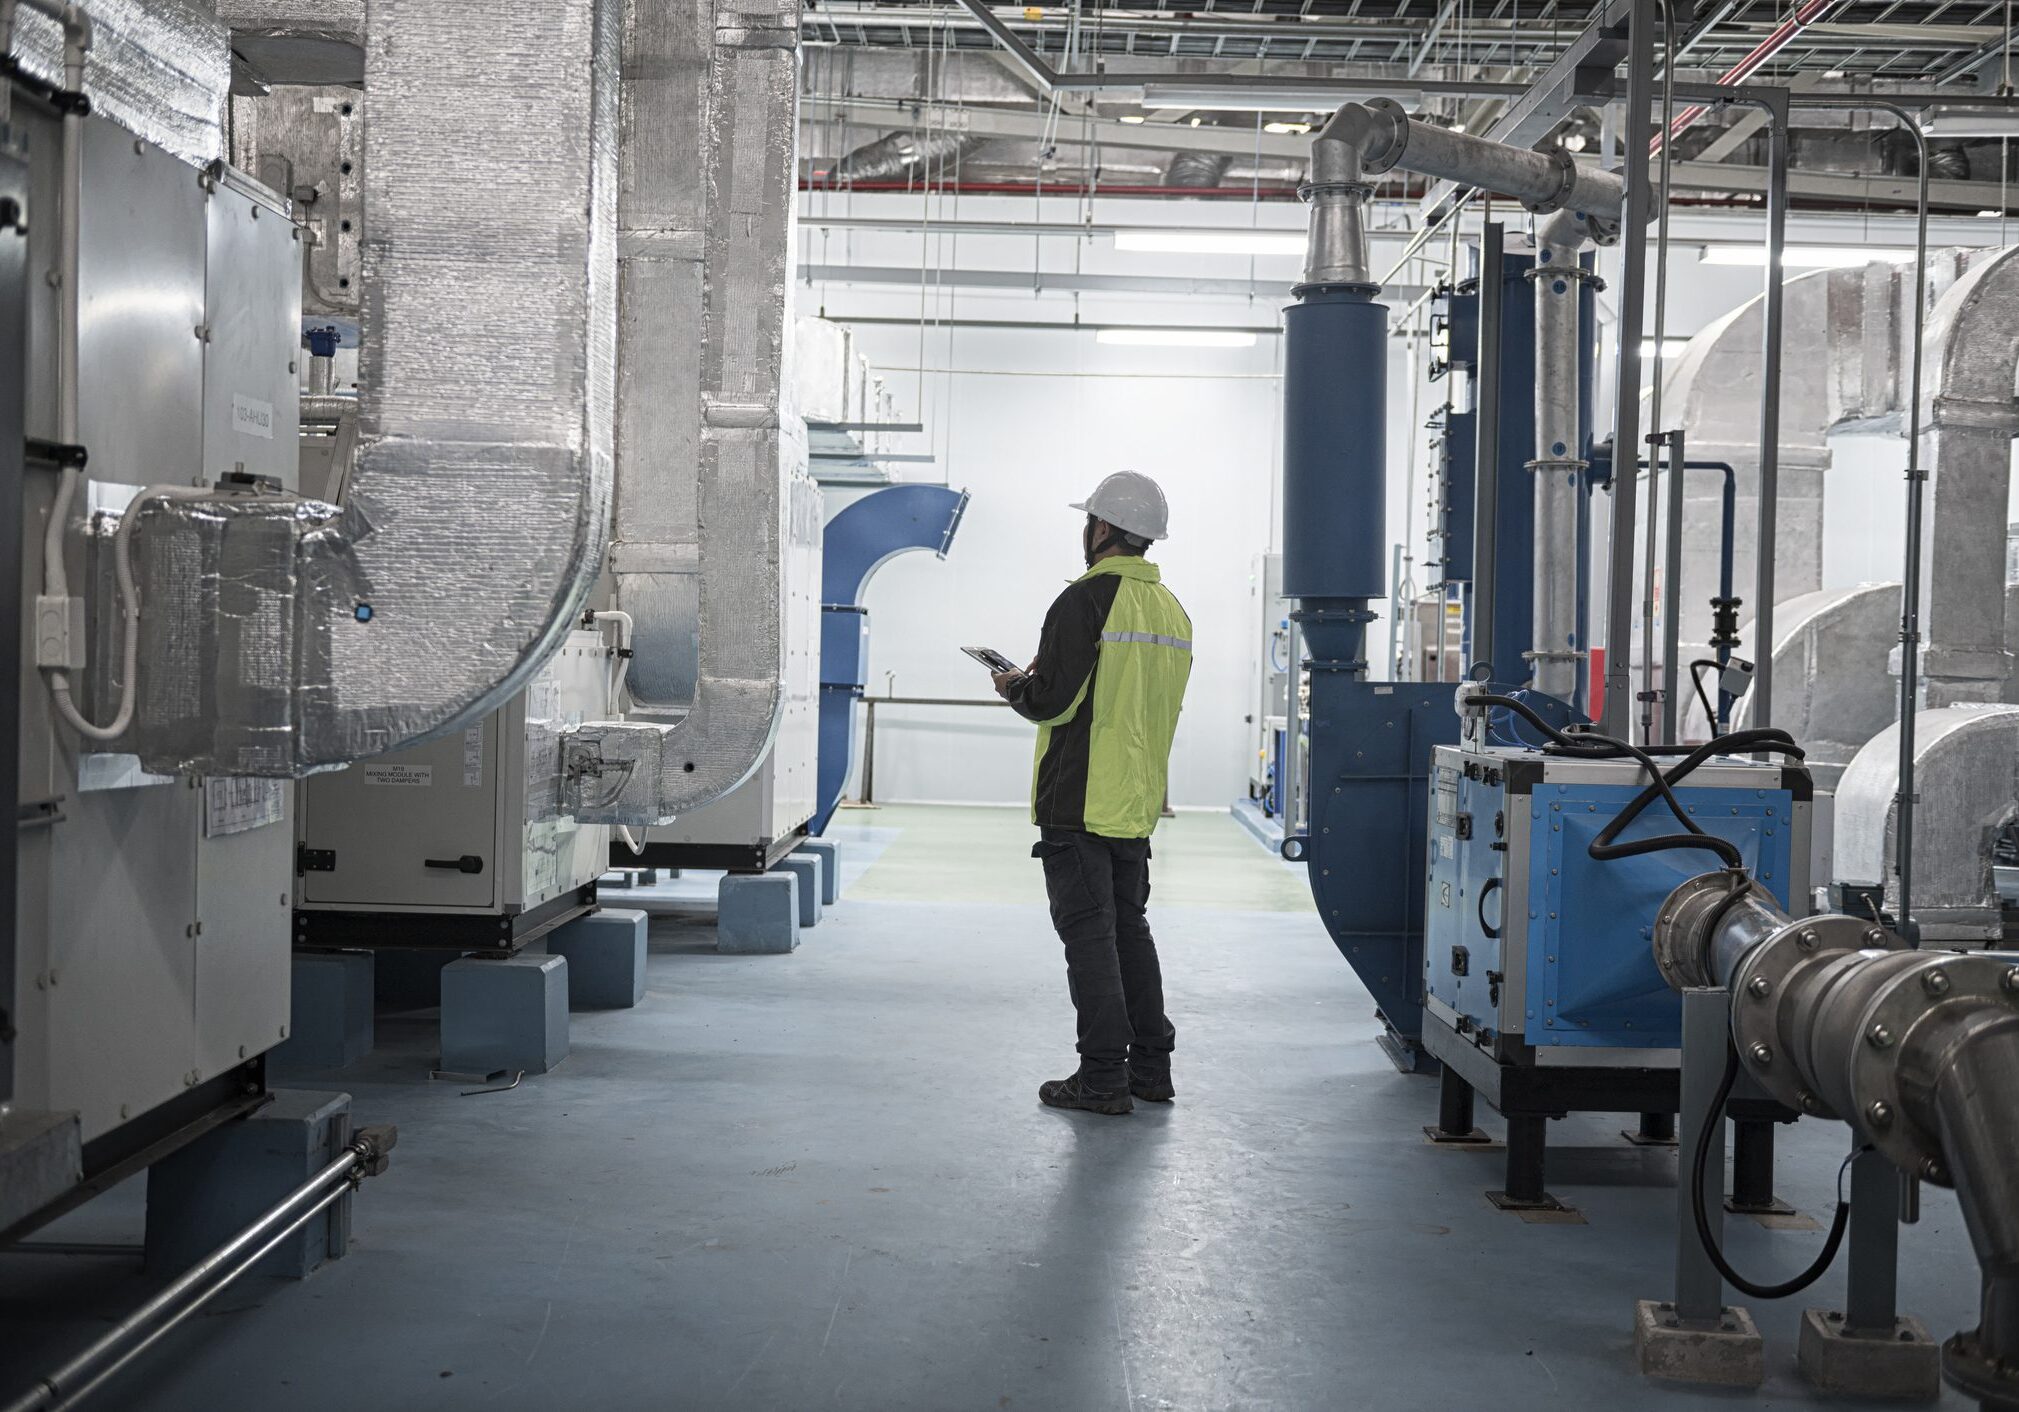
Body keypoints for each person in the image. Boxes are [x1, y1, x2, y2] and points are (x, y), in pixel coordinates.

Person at [991, 472, 1193, 1116]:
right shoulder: (1171, 610)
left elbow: (1053, 699)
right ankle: (1150, 1069)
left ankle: (1103, 1076)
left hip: (1078, 799)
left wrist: (1015, 686)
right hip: (1134, 800)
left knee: (1089, 936)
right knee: (1129, 930)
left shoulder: (1083, 602)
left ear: (1102, 528)